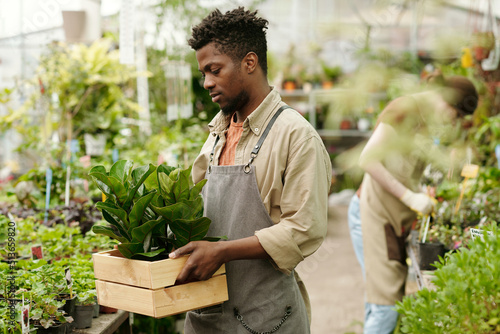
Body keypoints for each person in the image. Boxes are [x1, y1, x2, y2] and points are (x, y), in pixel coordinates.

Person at [167, 7, 332, 333]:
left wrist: (223, 252)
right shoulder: (217, 135)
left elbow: (304, 229)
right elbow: (193, 204)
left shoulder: (295, 135)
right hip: (206, 317)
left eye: (214, 70)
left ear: (250, 62)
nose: (207, 82)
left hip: (265, 319)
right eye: (203, 74)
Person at [348, 72, 478, 334]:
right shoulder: (404, 110)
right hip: (373, 215)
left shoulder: (425, 119)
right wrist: (409, 197)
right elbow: (368, 160)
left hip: (391, 217)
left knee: (378, 302)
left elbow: (402, 166)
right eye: (456, 114)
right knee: (386, 305)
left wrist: (421, 190)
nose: (454, 121)